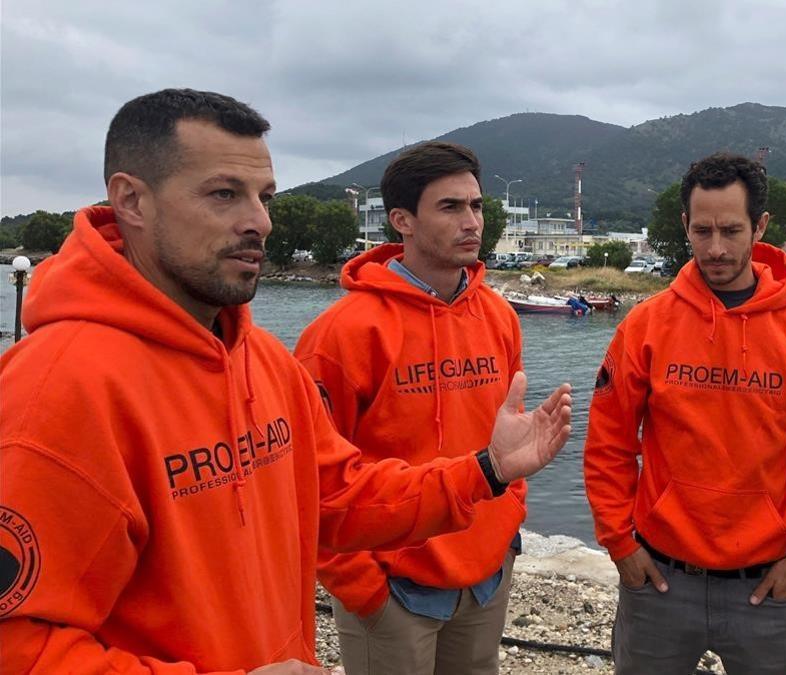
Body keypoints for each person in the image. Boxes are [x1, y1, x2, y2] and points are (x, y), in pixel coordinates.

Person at [0, 89, 572, 674]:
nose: (259, 221)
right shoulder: (54, 391)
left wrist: (487, 472)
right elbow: (16, 645)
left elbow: (339, 496)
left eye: (265, 197)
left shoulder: (264, 362)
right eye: (224, 194)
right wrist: (369, 595)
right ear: (131, 201)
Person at [584, 152, 786, 674]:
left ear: (761, 226)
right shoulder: (646, 325)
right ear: (684, 224)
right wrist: (619, 543)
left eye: (731, 230)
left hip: (766, 584)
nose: (715, 248)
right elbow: (609, 444)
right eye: (701, 230)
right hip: (658, 580)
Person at [294, 141, 525, 675]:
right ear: (402, 220)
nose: (472, 222)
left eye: (477, 206)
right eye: (450, 207)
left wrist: (508, 524)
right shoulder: (341, 334)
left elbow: (508, 434)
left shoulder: (498, 315)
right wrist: (360, 584)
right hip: (393, 585)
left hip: (487, 571)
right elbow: (310, 481)